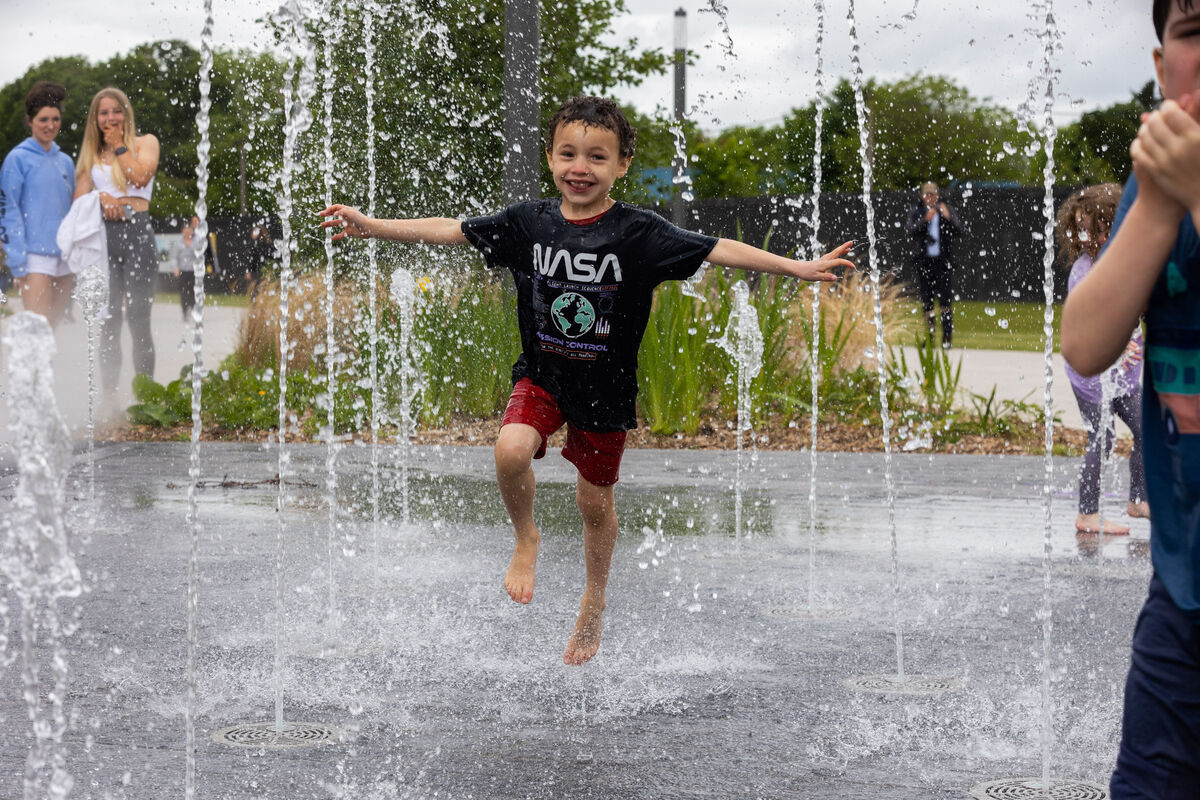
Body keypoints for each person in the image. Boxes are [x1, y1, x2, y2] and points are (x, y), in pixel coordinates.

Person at [319, 96, 853, 666]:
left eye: (597, 157)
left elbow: (718, 249)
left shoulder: (638, 232)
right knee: (509, 451)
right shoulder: (530, 223)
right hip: (543, 376)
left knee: (594, 505)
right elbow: (450, 230)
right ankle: (527, 538)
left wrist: (797, 267)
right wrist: (371, 226)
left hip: (607, 389)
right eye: (568, 153)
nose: (581, 166)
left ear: (622, 164)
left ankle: (594, 597)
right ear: (549, 158)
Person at [1060, 0, 1200, 795]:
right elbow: (1085, 342)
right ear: (1161, 66)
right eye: (1194, 32)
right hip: (1183, 596)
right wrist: (1157, 201)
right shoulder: (1158, 199)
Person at [1056, 184, 1150, 535]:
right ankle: (1087, 513)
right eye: (1080, 230)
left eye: (1095, 229)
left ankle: (1138, 500)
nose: (1086, 238)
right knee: (1103, 437)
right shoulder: (1084, 273)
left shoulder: (1128, 261)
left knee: (1145, 429)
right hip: (1092, 379)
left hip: (1124, 377)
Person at [73, 87, 160, 392]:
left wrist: (119, 146)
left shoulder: (144, 143)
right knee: (108, 321)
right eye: (104, 112)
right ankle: (109, 399)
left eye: (116, 111)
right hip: (104, 238)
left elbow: (140, 178)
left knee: (138, 318)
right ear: (95, 119)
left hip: (138, 232)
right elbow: (77, 204)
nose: (111, 118)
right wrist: (101, 197)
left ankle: (145, 394)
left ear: (126, 113)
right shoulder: (90, 156)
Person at [0, 81, 76, 326]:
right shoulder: (17, 159)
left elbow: (75, 210)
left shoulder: (65, 162)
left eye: (55, 119)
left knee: (52, 331)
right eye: (43, 119)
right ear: (30, 120)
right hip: (33, 257)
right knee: (38, 330)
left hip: (64, 258)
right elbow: (7, 210)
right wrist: (17, 261)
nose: (50, 125)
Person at [905, 181, 962, 348]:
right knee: (927, 301)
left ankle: (946, 338)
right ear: (922, 196)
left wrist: (947, 217)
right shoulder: (917, 212)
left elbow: (960, 230)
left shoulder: (946, 210)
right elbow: (910, 231)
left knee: (945, 301)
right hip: (924, 262)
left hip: (943, 263)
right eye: (927, 195)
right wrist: (924, 220)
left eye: (934, 194)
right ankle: (929, 337)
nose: (931, 198)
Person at [172, 217, 198, 322]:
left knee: (193, 291)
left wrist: (191, 246)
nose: (187, 233)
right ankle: (184, 311)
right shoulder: (178, 242)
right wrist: (175, 268)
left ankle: (193, 310)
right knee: (183, 292)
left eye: (189, 230)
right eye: (185, 231)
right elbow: (174, 256)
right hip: (182, 270)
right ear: (182, 231)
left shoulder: (196, 241)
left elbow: (199, 255)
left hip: (193, 270)